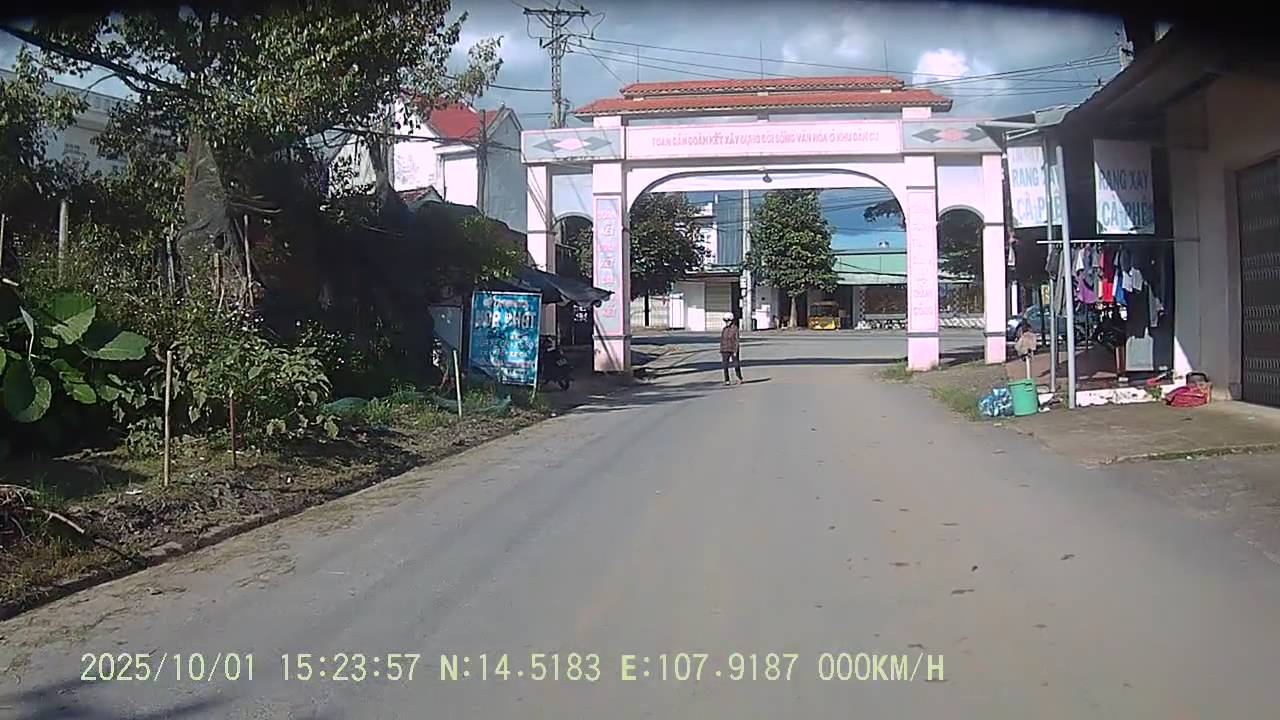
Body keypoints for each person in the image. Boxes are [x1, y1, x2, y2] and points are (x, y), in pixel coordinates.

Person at [719, 312, 743, 386]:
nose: (727, 322)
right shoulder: (724, 329)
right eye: (725, 321)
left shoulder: (735, 329)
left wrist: (735, 350)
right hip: (725, 349)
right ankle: (727, 380)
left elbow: (737, 340)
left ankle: (739, 378)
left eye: (728, 321)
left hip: (733, 349)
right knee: (725, 365)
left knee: (736, 364)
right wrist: (721, 349)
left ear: (731, 320)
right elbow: (722, 339)